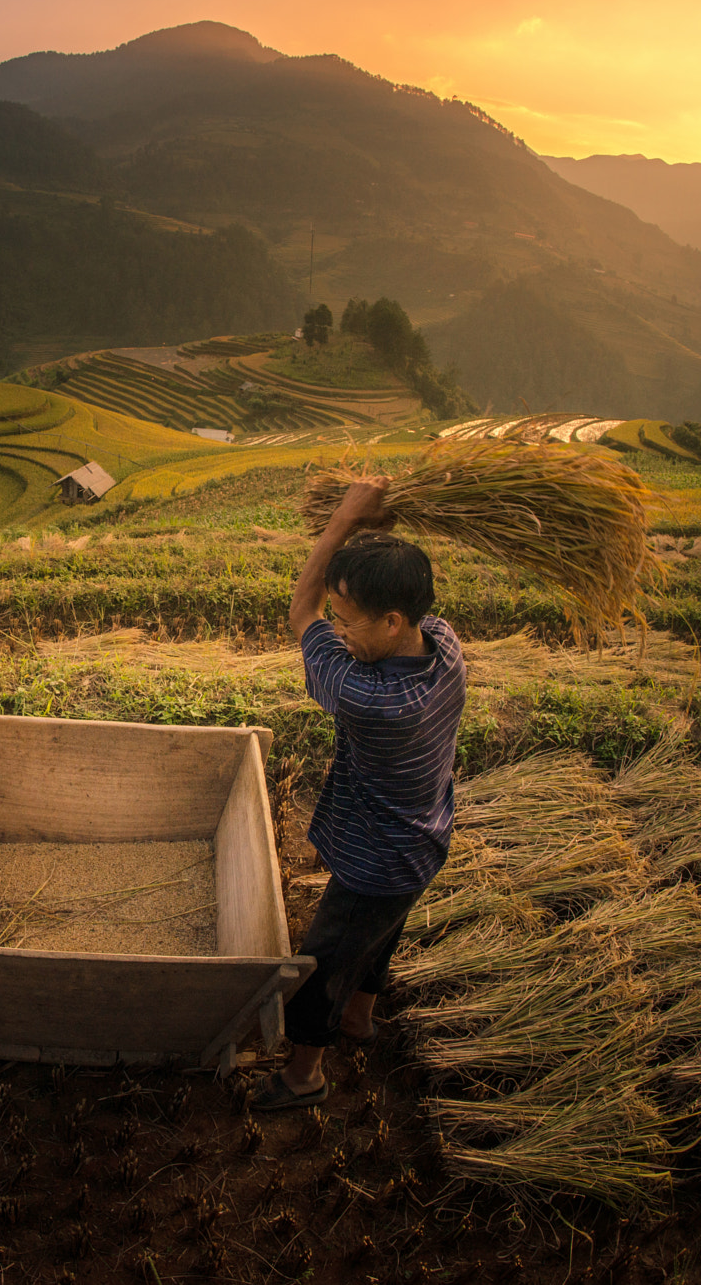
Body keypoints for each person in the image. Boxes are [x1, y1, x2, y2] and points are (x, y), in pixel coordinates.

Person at [251, 476, 468, 1111]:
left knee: (325, 960)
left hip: (376, 859)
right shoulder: (446, 647)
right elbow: (349, 609)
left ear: (394, 620)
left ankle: (304, 1076)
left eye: (348, 622)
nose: (337, 631)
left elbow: (300, 610)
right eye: (338, 620)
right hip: (423, 842)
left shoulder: (370, 699)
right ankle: (360, 1021)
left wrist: (347, 515)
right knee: (379, 938)